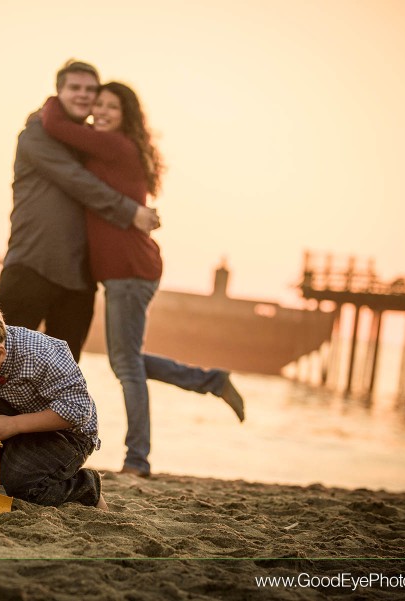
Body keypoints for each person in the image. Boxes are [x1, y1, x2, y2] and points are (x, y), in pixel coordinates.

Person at [40, 81, 245, 478]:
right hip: (127, 273)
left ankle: (138, 459)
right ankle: (213, 381)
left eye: (109, 106)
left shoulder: (115, 146)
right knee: (128, 361)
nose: (99, 111)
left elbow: (56, 125)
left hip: (130, 272)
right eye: (96, 105)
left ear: (126, 115)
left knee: (127, 366)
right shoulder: (114, 147)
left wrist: (57, 97)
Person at [0, 59, 160, 363]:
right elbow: (76, 180)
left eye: (90, 90)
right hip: (32, 267)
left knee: (64, 378)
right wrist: (131, 211)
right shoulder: (36, 135)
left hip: (79, 281)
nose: (83, 95)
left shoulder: (90, 141)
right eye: (75, 88)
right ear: (59, 92)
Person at [0, 295, 107, 510]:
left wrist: (14, 425)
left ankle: (86, 487)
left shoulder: (39, 356)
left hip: (67, 435)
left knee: (13, 484)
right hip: (18, 418)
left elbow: (78, 410)